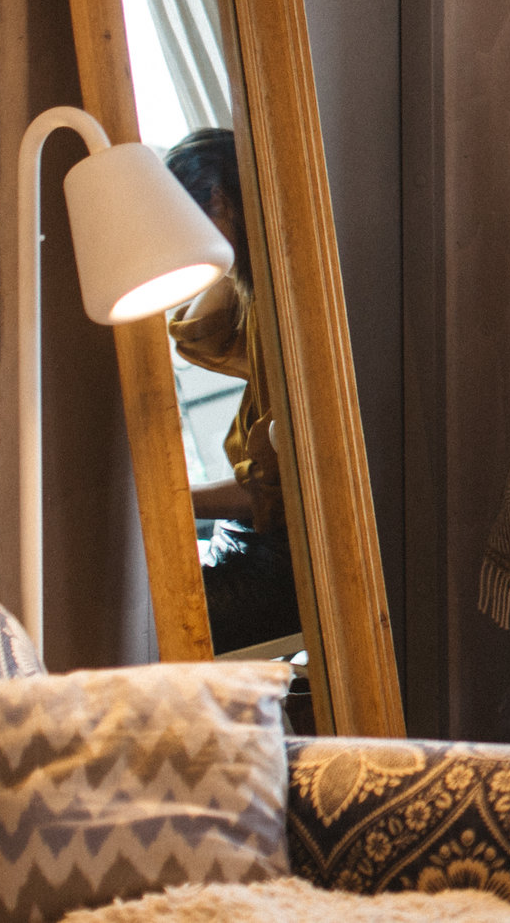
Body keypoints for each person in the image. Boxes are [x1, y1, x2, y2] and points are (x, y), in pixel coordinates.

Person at [165, 128, 302, 652]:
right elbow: (198, 337)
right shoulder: (257, 294)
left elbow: (267, 496)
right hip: (248, 546)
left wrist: (169, 500)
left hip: (275, 561)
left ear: (219, 200)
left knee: (147, 627)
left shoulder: (274, 311)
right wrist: (228, 253)